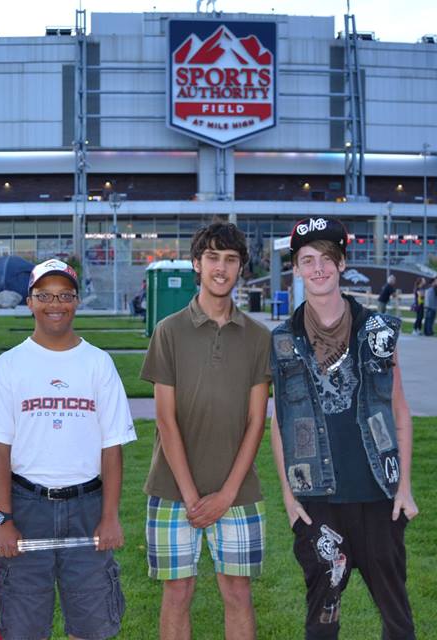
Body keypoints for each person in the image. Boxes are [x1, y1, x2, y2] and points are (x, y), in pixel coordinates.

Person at [270, 216, 418, 640]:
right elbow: (280, 422)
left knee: (398, 619)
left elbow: (400, 411)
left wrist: (404, 487)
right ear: (296, 268)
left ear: (342, 263)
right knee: (322, 620)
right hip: (317, 500)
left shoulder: (377, 331)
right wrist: (289, 496)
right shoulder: (282, 340)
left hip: (378, 494)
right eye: (308, 260)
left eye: (327, 258)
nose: (318, 268)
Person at [0, 258, 137, 640]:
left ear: (76, 301)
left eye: (65, 295)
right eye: (44, 295)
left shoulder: (98, 363)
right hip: (26, 504)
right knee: (23, 626)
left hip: (87, 506)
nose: (55, 304)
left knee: (92, 625)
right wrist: (2, 520)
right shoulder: (9, 365)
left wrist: (110, 516)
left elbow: (112, 448)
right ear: (29, 302)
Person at [140, 222, 271, 640]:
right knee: (177, 593)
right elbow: (165, 419)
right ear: (196, 263)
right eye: (212, 257)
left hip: (238, 491)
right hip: (172, 488)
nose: (221, 268)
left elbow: (256, 421)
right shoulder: (168, 331)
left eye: (231, 260)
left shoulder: (258, 337)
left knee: (238, 593)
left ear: (241, 268)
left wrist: (227, 494)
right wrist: (192, 497)